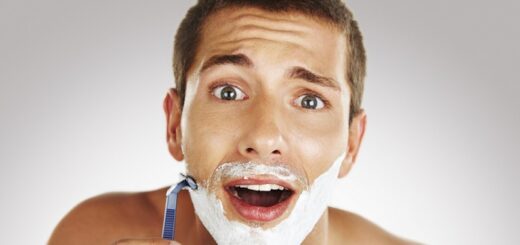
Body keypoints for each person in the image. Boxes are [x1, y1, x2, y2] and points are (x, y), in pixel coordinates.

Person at [49, 0, 418, 244]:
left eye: (309, 100)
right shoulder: (94, 233)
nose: (263, 136)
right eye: (228, 92)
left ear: (352, 144)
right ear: (175, 125)